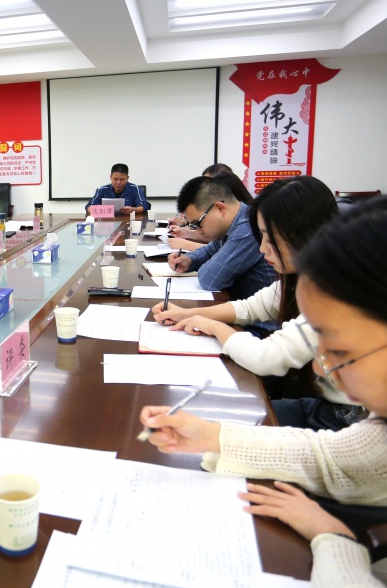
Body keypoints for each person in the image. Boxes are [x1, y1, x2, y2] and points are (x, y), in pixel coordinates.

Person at [140, 195, 387, 588]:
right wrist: (210, 435)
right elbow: (332, 457)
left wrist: (333, 538)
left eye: (339, 350)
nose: (321, 370)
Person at [153, 176, 359, 430]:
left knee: (217, 428)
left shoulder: (334, 292)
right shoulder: (305, 276)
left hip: (346, 421)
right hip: (322, 404)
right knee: (206, 417)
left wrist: (214, 326)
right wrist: (187, 313)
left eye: (270, 238)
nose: (262, 249)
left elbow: (265, 358)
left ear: (306, 233)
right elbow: (250, 307)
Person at [167, 176, 276, 304]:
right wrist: (189, 260)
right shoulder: (232, 222)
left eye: (198, 223)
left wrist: (205, 264)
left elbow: (210, 279)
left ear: (220, 208)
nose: (198, 231)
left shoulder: (248, 227)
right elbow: (210, 250)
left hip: (259, 315)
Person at [168, 170, 253, 249]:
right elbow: (213, 248)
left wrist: (186, 245)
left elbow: (219, 253)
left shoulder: (246, 227)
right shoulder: (233, 221)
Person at [84, 163, 149, 215]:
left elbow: (145, 206)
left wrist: (133, 210)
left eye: (122, 179)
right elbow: (89, 207)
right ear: (110, 177)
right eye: (115, 179)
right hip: (107, 222)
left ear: (127, 178)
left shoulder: (134, 189)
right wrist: (100, 210)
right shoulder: (102, 190)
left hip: (128, 221)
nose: (118, 182)